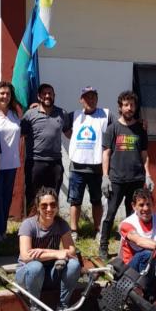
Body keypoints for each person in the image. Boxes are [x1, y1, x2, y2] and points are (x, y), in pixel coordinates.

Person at [98, 91, 154, 260]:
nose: (129, 108)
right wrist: (105, 177)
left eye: (132, 105)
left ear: (135, 107)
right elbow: (106, 153)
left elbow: (144, 154)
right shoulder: (112, 128)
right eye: (126, 105)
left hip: (136, 179)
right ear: (120, 107)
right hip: (116, 179)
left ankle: (131, 246)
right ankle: (103, 247)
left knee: (134, 216)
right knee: (110, 215)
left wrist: (148, 175)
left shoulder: (140, 129)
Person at [14, 187, 81, 311]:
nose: (49, 209)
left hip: (48, 275)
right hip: (27, 275)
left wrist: (46, 253)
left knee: (74, 264)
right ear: (38, 207)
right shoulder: (28, 224)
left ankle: (63, 307)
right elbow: (26, 256)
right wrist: (56, 253)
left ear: (57, 207)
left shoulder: (62, 224)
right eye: (44, 206)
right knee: (35, 266)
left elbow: (71, 252)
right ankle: (35, 309)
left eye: (53, 205)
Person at [66, 86, 110, 242]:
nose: (90, 100)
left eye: (93, 97)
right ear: (81, 100)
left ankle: (97, 229)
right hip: (77, 166)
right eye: (86, 97)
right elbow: (63, 127)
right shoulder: (74, 115)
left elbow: (121, 125)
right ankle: (73, 231)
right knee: (75, 200)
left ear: (97, 98)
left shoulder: (106, 115)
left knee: (96, 200)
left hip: (97, 167)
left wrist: (141, 122)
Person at [20, 83, 71, 213]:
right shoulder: (30, 114)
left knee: (53, 196)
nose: (47, 96)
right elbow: (21, 135)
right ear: (39, 96)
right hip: (35, 162)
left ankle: (51, 227)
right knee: (33, 195)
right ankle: (31, 227)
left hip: (55, 163)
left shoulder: (62, 113)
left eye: (50, 93)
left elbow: (69, 133)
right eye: (44, 93)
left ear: (54, 96)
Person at [0, 81, 24, 242]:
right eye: (2, 93)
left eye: (8, 94)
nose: (5, 96)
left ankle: (2, 229)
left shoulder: (15, 114)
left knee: (6, 198)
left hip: (12, 164)